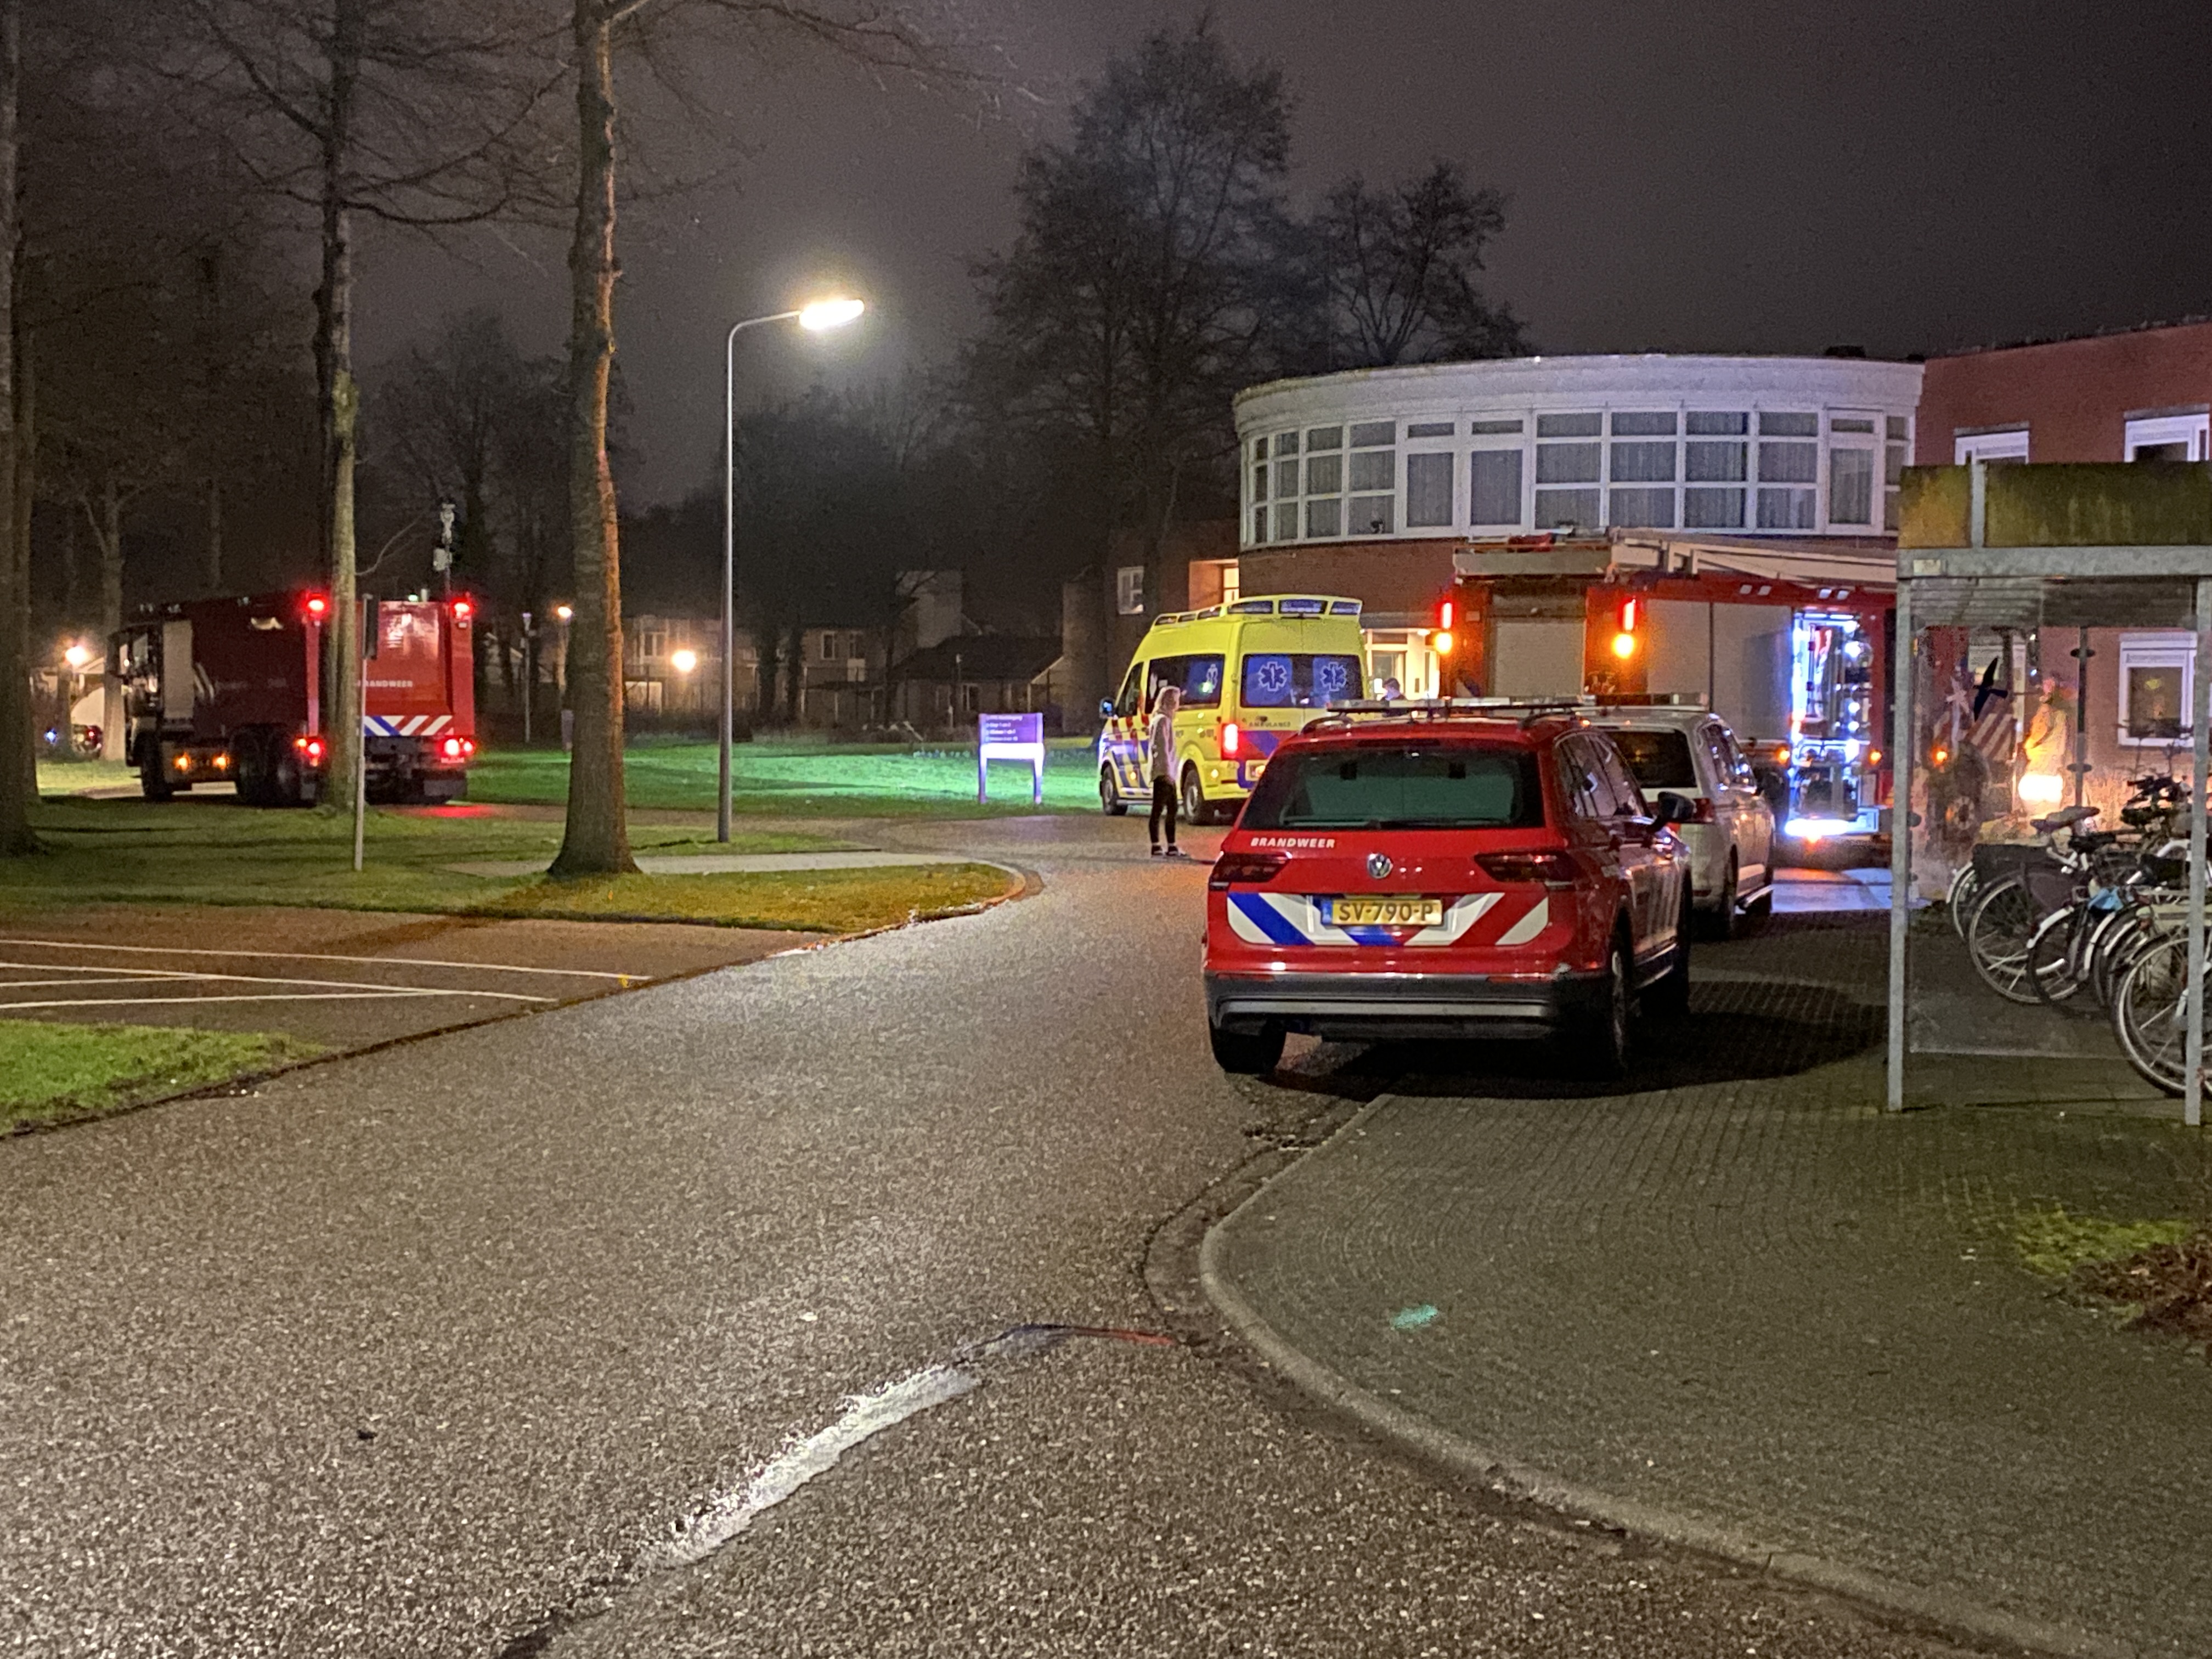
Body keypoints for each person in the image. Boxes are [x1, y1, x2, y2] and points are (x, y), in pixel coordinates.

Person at [1147, 684, 1186, 857]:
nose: (1178, 704)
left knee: (1171, 808)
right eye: (1176, 700)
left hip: (1166, 772)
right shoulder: (1162, 721)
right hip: (1164, 773)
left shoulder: (1163, 720)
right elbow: (1161, 748)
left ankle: (1171, 846)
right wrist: (1168, 773)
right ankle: (1158, 846)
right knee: (1160, 809)